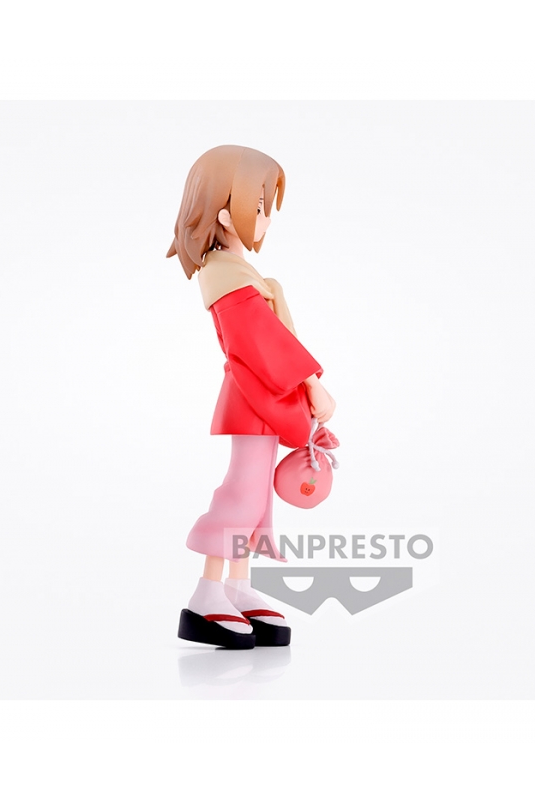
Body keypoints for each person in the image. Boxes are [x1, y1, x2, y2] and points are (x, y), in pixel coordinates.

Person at [167, 145, 336, 648]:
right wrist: (311, 383)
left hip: (258, 396)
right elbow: (260, 343)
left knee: (256, 496)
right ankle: (206, 594)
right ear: (225, 213)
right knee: (242, 493)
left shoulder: (238, 273)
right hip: (252, 396)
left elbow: (268, 342)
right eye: (258, 206)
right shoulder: (228, 277)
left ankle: (237, 587)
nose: (266, 219)